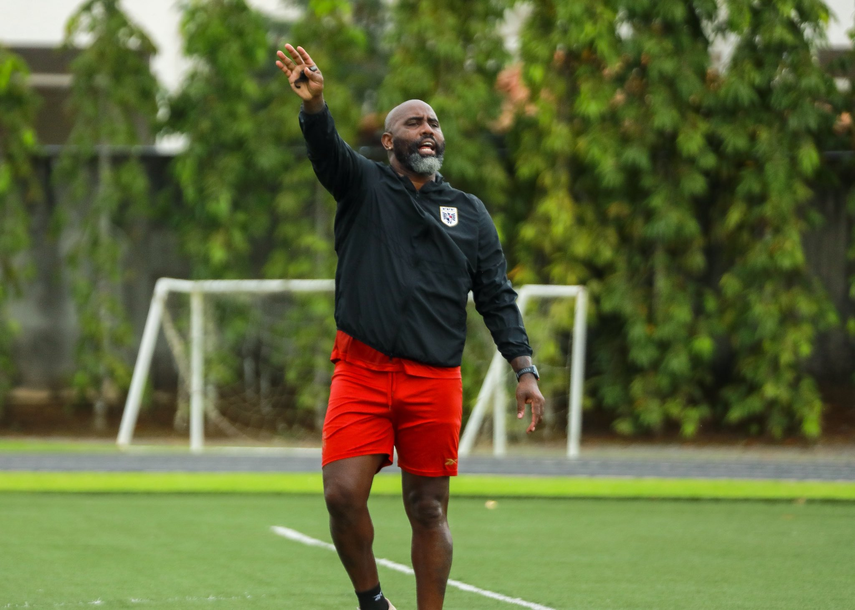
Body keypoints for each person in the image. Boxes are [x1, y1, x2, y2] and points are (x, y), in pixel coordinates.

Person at [275, 44, 545, 610]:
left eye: (434, 123)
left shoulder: (470, 214)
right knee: (342, 494)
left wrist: (524, 367)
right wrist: (315, 107)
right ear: (389, 141)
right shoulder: (363, 186)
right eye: (413, 122)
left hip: (433, 380)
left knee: (428, 509)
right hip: (361, 372)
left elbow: (495, 296)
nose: (427, 129)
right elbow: (326, 152)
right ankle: (373, 603)